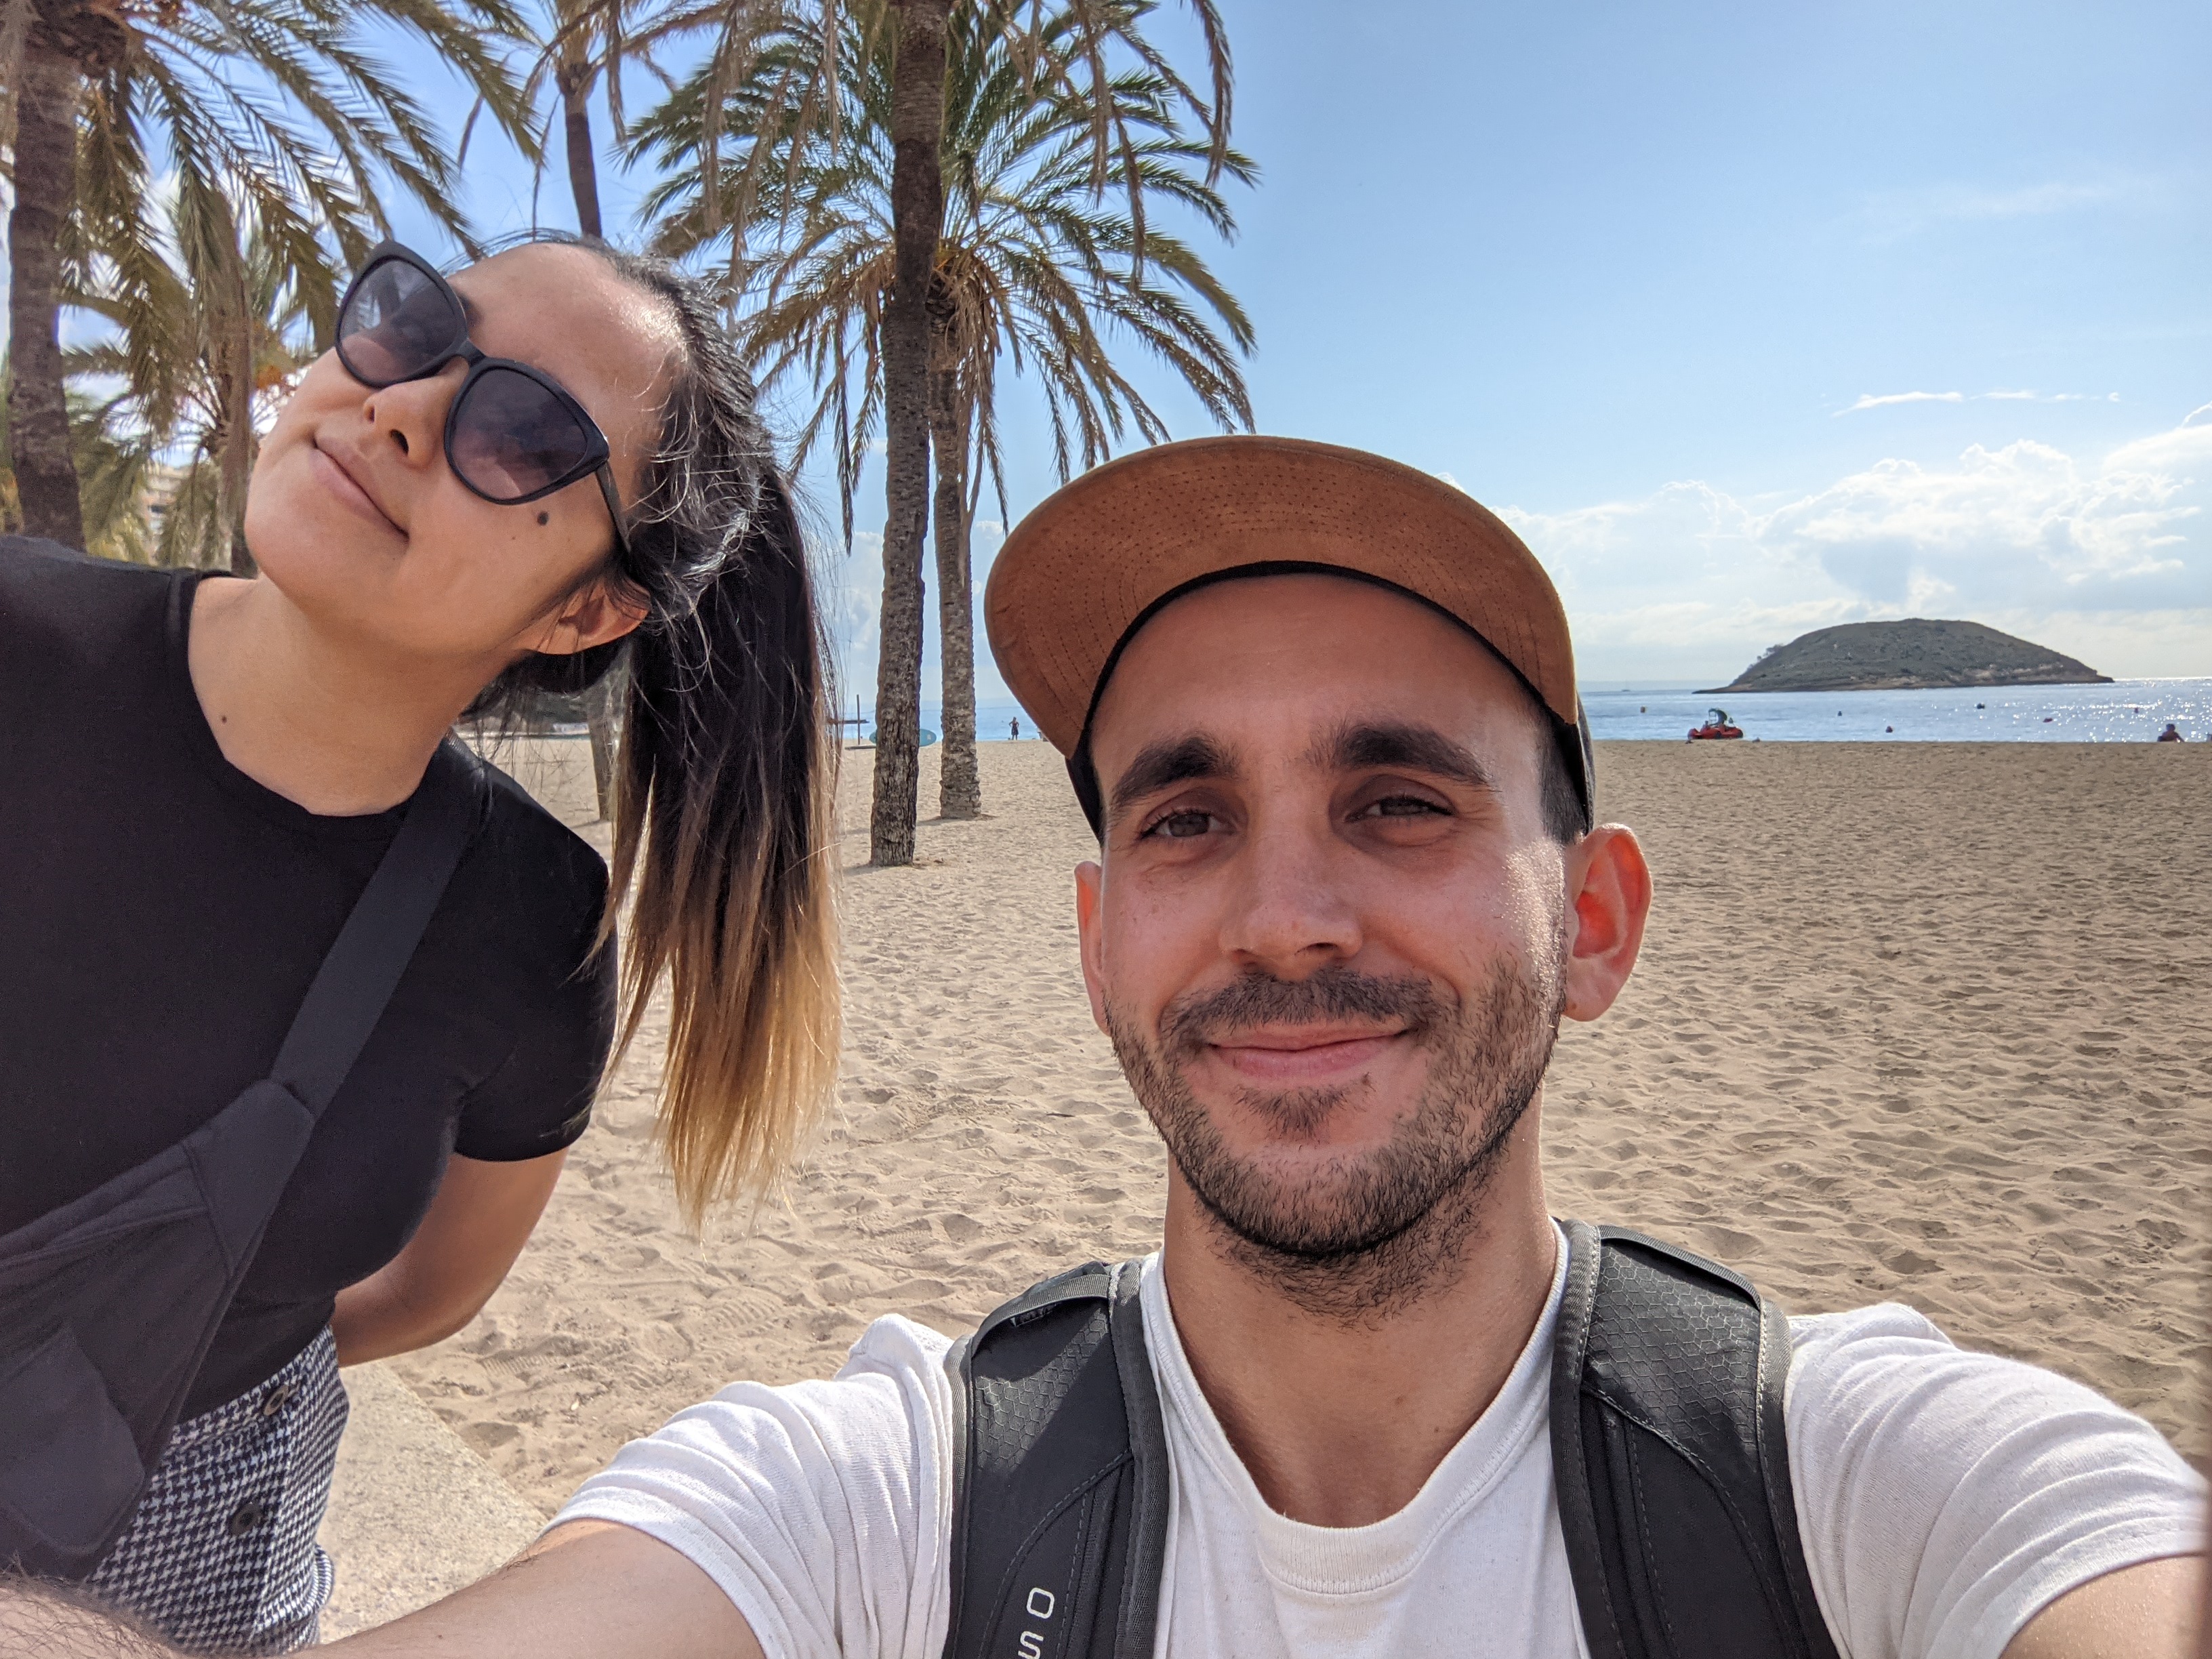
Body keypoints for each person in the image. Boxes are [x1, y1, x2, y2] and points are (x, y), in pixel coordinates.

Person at [5, 437, 2205, 1658]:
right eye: (1183, 814)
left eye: (1400, 798)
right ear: (1096, 946)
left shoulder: (1866, 1489)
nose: (1282, 911)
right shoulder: (902, 1498)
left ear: (1598, 922)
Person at [0, 236, 836, 1654]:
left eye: (525, 434)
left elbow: (432, 1290)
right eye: (412, 325)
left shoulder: (532, 923)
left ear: (586, 609)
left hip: (196, 1584)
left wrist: (171, 1356)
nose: (402, 408)